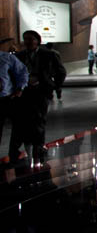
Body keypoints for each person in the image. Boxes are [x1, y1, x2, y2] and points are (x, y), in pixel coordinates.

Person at [8, 30, 66, 166]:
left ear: (37, 40)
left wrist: (53, 86)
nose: (27, 42)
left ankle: (38, 147)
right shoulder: (18, 56)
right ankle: (19, 149)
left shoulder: (49, 54)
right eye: (25, 39)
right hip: (23, 94)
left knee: (39, 120)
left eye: (30, 39)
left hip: (40, 92)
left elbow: (61, 71)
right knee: (21, 120)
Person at [0, 37, 28, 167]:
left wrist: (20, 88)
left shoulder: (6, 58)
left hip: (7, 98)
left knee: (20, 124)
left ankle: (14, 151)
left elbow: (22, 71)